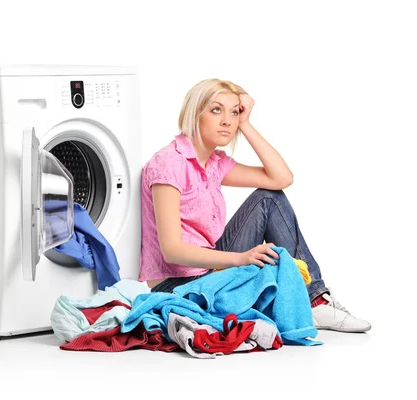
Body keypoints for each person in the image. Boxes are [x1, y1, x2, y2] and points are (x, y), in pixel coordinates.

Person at [139, 78, 371, 333]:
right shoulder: (169, 163)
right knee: (267, 211)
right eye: (216, 110)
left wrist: (247, 125)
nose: (227, 120)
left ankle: (314, 299)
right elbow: (172, 250)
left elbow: (281, 178)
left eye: (234, 112)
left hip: (209, 270)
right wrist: (240, 259)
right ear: (195, 114)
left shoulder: (214, 164)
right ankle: (310, 302)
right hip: (177, 285)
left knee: (270, 198)